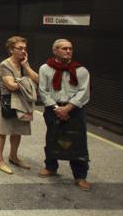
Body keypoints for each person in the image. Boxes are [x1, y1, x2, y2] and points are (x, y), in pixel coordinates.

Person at [38, 39, 92, 191]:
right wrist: (57, 108)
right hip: (53, 108)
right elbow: (43, 90)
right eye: (64, 49)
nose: (68, 51)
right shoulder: (45, 69)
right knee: (52, 138)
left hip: (75, 110)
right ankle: (51, 167)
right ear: (55, 50)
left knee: (78, 142)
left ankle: (80, 176)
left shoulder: (81, 70)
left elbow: (84, 92)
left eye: (70, 49)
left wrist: (68, 108)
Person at [0, 36, 39, 175]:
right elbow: (11, 86)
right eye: (19, 48)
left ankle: (13, 156)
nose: (23, 51)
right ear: (11, 50)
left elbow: (37, 79)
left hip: (22, 102)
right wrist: (28, 83)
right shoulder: (5, 65)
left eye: (25, 48)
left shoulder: (23, 64)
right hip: (8, 102)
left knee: (17, 130)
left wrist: (26, 67)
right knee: (3, 130)